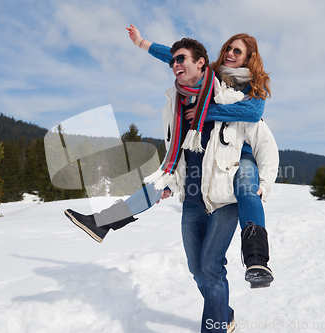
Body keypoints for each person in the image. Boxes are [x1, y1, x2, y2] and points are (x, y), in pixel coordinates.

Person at [65, 26, 276, 289]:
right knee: (160, 181)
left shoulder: (248, 87)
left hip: (237, 151)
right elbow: (176, 56)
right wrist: (143, 43)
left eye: (238, 51)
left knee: (246, 189)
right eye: (228, 49)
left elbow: (254, 112)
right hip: (203, 155)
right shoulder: (212, 76)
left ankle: (257, 259)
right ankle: (102, 222)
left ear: (248, 58)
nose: (230, 54)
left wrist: (209, 111)